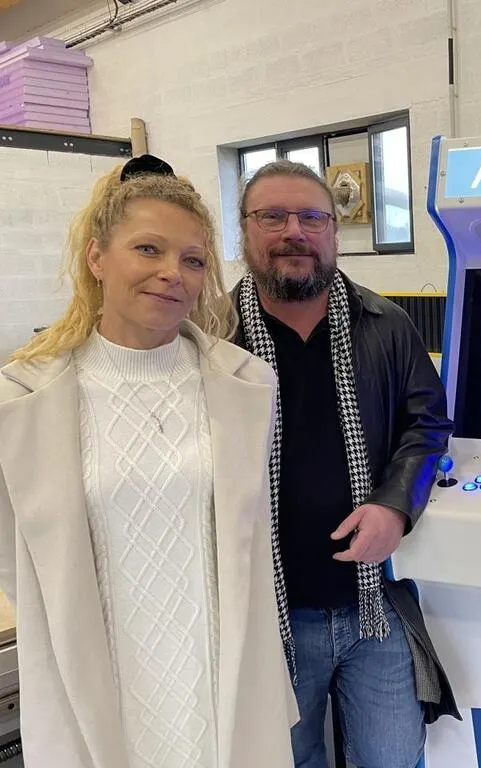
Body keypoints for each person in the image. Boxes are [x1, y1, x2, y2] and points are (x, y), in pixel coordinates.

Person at [0, 155, 298, 768]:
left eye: (193, 260)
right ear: (96, 257)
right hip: (103, 686)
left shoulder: (244, 385)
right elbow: (17, 560)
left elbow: (247, 545)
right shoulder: (24, 399)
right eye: (148, 249)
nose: (172, 274)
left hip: (218, 685)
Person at [229, 159, 458, 768]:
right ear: (244, 229)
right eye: (272, 216)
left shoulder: (387, 325)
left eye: (312, 217)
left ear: (334, 231)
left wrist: (395, 505)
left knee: (393, 758)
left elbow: (427, 425)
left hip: (373, 607)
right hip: (265, 618)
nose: (294, 232)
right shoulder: (213, 337)